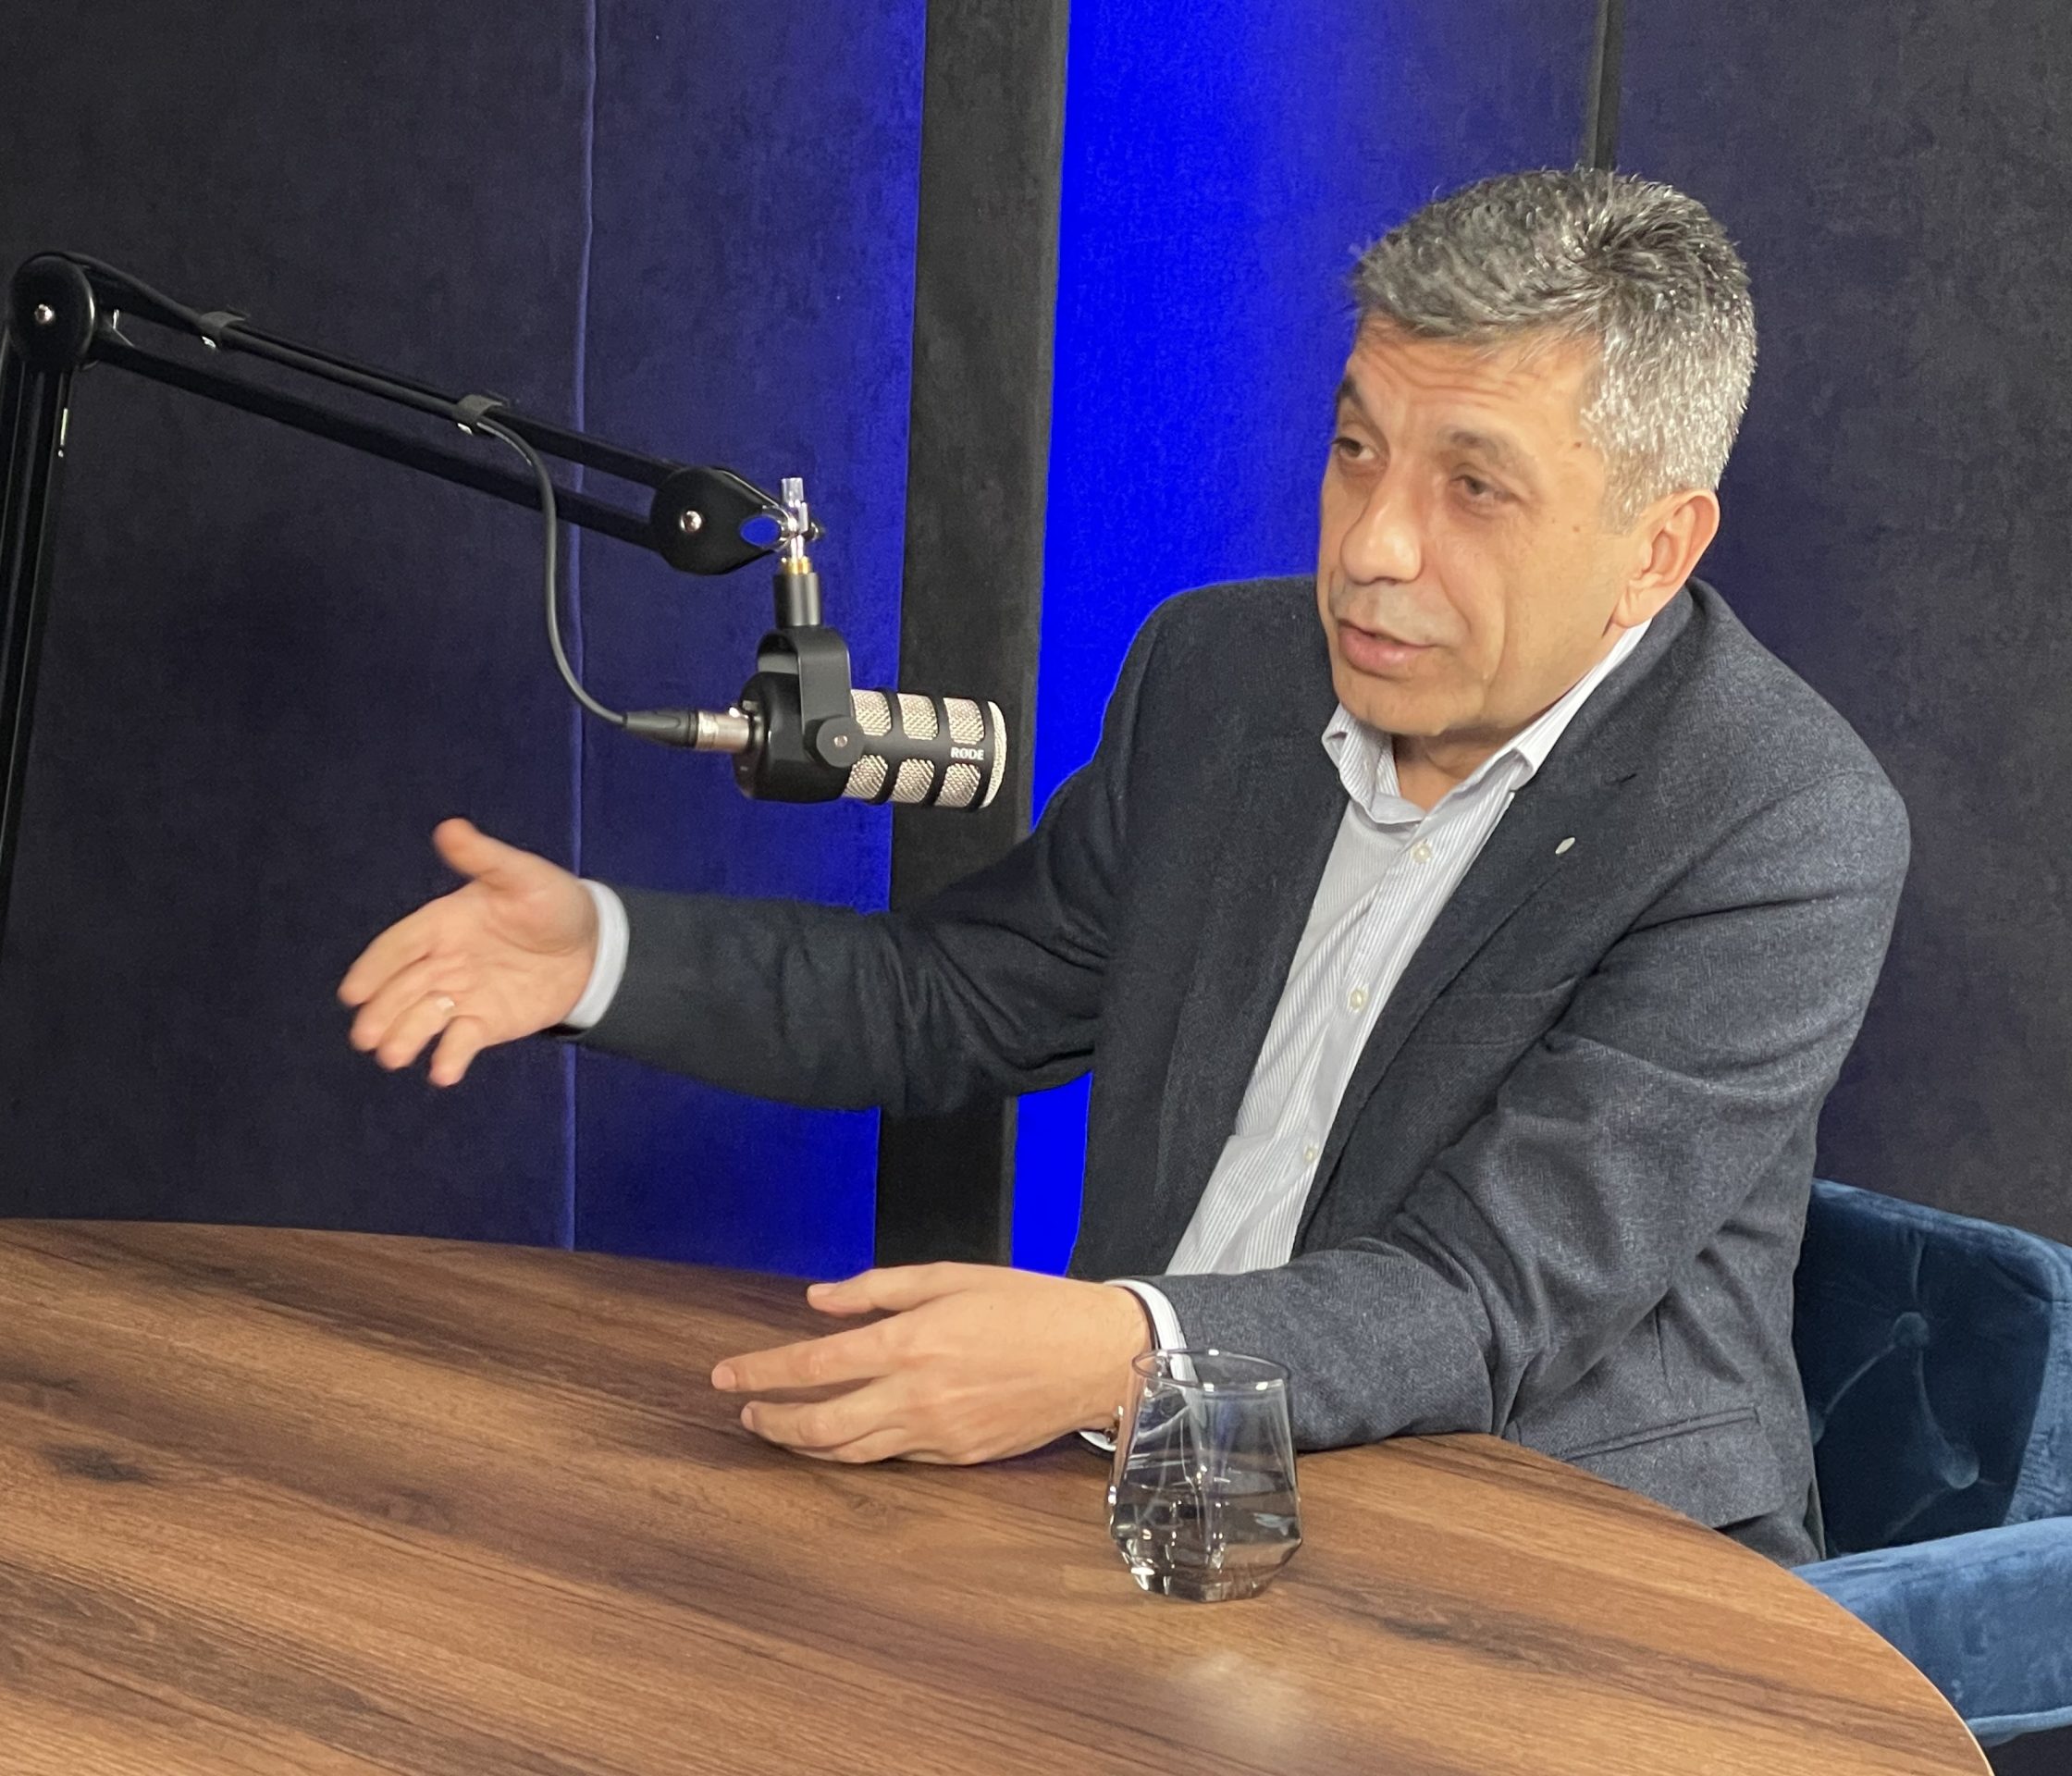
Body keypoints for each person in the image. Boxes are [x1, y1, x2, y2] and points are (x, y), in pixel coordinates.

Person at [337, 167, 1908, 1566]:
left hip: (1566, 1554)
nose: (1373, 545)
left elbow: (1484, 1301)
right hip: (1152, 1496)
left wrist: (1111, 1352)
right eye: (1355, 452)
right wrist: (600, 954)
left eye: (1473, 487)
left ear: (1657, 548)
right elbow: (957, 994)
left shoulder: (1776, 819)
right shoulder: (1222, 674)